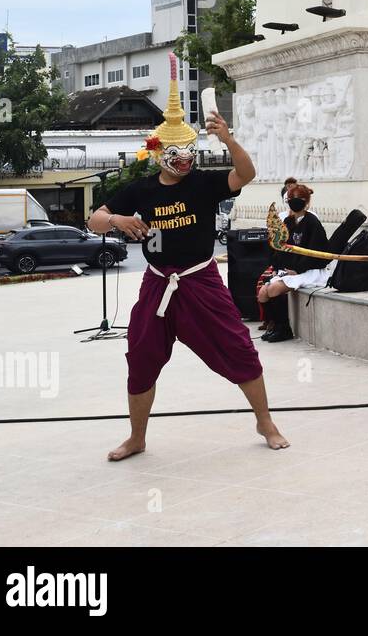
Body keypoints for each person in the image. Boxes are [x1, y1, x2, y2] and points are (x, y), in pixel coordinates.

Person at [88, 54, 288, 460]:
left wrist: (228, 139)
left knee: (238, 347)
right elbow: (94, 220)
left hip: (201, 279)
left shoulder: (203, 184)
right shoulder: (141, 190)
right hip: (158, 282)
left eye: (188, 150)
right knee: (140, 355)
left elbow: (245, 175)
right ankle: (137, 437)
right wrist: (118, 219)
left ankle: (265, 421)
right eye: (176, 152)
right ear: (158, 150)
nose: (184, 159)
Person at [257, 182, 331, 342]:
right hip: (289, 270)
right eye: (292, 199)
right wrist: (277, 267)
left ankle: (284, 329)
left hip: (308, 271)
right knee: (263, 293)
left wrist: (297, 269)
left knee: (274, 289)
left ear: (307, 202)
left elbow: (316, 255)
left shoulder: (313, 223)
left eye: (299, 199)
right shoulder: (288, 223)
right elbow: (279, 248)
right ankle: (275, 325)